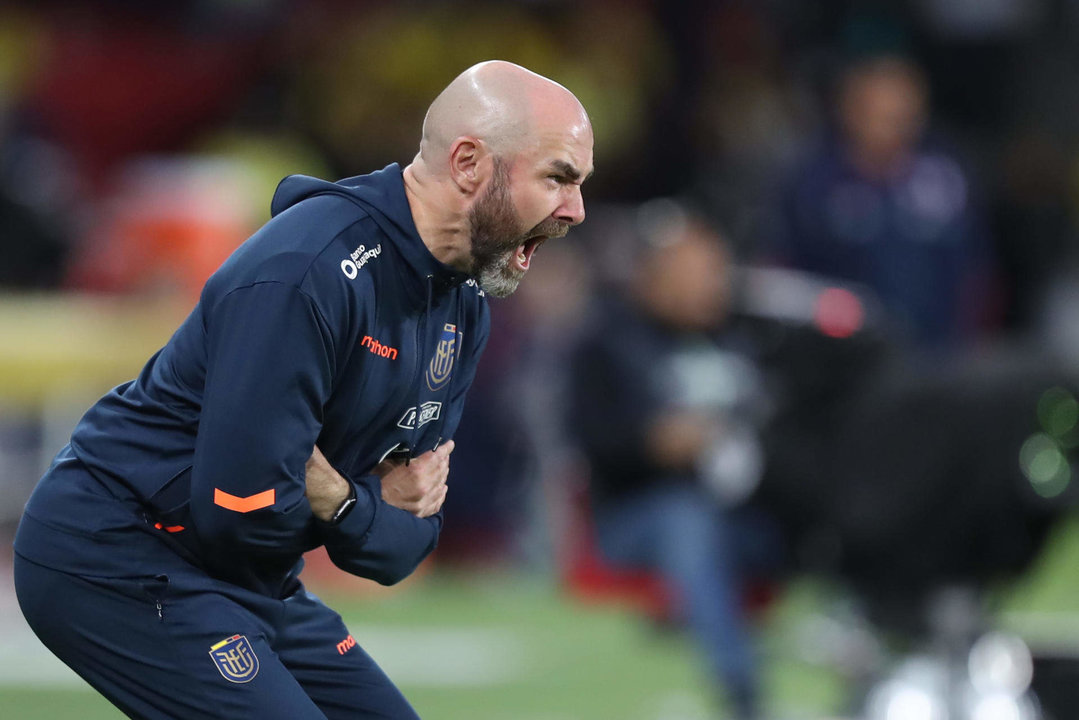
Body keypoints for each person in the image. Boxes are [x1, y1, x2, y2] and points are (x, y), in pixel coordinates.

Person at [13, 60, 593, 719]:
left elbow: (404, 547)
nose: (575, 210)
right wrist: (359, 506)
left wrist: (335, 497)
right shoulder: (305, 273)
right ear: (467, 164)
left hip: (256, 579)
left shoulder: (462, 306)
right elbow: (241, 515)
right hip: (117, 554)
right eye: (557, 178)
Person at [567, 200, 773, 719]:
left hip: (745, 513)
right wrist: (652, 442)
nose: (711, 284)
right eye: (695, 271)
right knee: (687, 521)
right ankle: (742, 691)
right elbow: (589, 444)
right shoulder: (607, 343)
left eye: (714, 268)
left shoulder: (743, 339)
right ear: (651, 275)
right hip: (636, 519)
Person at [770, 54, 993, 352]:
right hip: (845, 362)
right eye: (884, 116)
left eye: (907, 115)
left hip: (941, 358)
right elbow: (788, 280)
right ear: (850, 112)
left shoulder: (946, 172)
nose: (898, 128)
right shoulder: (813, 183)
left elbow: (977, 272)